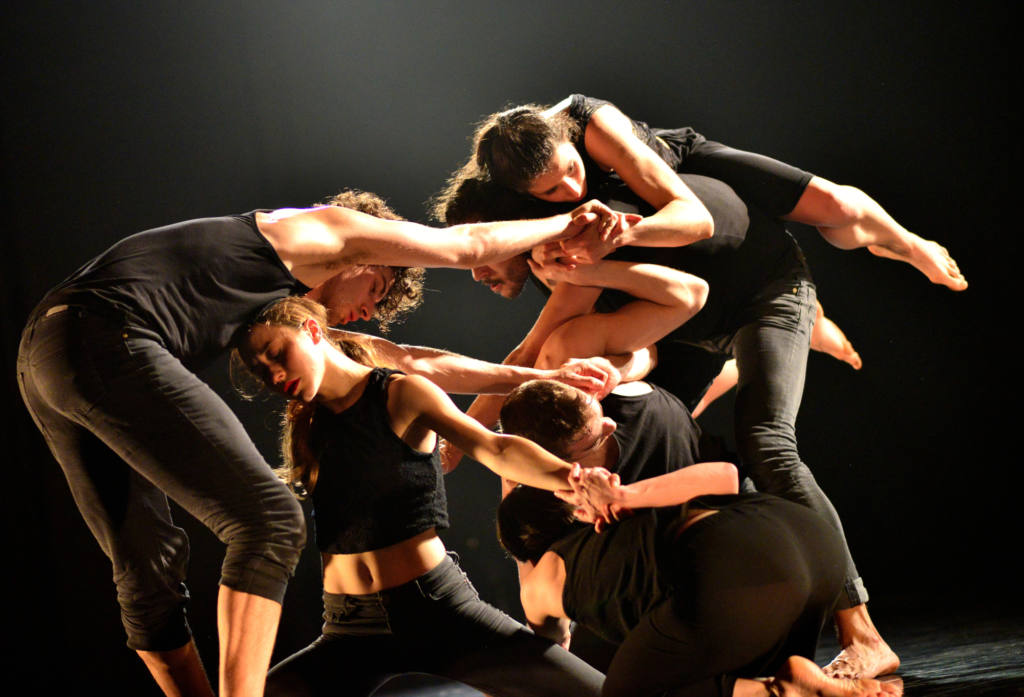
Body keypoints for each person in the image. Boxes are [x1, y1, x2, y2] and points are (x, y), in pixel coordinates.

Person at [15, 187, 618, 697]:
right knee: (269, 521)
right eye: (375, 292)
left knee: (144, 563)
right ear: (366, 254)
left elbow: (417, 361)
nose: (362, 313)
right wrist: (571, 221)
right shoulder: (324, 233)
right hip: (105, 335)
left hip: (44, 356)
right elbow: (469, 247)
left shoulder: (268, 313)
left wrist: (537, 376)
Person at [443, 173, 898, 680]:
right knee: (674, 402)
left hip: (747, 298)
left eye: (479, 252)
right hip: (677, 359)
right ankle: (803, 335)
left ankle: (862, 632)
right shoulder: (569, 297)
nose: (477, 272)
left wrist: (462, 435)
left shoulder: (576, 263)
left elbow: (671, 304)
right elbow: (638, 356)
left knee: (767, 445)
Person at [235, 296, 611, 696]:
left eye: (276, 354)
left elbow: (495, 448)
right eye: (261, 372)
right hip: (347, 628)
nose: (274, 375)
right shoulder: (308, 425)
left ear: (312, 331)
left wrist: (576, 478)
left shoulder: (400, 395)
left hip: (436, 610)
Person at [468, 93, 965, 291]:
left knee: (832, 209)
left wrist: (615, 238)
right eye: (552, 192)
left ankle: (907, 240)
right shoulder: (505, 184)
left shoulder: (594, 125)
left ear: (567, 140)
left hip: (677, 162)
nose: (573, 188)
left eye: (572, 170)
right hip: (638, 225)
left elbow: (688, 214)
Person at [497, 466, 900, 697]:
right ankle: (783, 681)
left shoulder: (540, 580)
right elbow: (727, 475)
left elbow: (550, 656)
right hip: (814, 542)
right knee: (713, 660)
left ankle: (779, 692)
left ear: (525, 550)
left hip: (737, 579)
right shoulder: (618, 510)